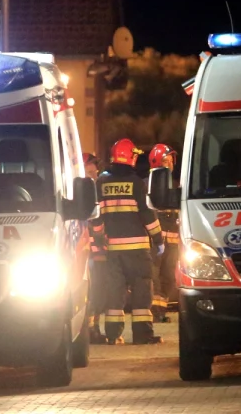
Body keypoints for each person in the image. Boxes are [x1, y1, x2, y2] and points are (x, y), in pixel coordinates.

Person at [95, 138, 164, 345]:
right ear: (129, 156)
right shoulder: (135, 183)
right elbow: (146, 214)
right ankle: (143, 334)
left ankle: (113, 335)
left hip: (112, 249)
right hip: (137, 249)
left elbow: (96, 216)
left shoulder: (101, 181)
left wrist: (99, 238)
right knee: (142, 288)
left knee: (114, 291)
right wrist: (159, 239)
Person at [148, 144, 181, 322]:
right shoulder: (148, 186)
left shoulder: (177, 186)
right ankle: (153, 311)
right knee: (155, 276)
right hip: (155, 240)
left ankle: (160, 311)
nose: (169, 165)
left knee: (169, 276)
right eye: (165, 161)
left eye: (170, 161)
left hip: (173, 240)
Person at [84, 153, 109, 344]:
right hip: (87, 252)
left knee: (99, 291)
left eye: (95, 171)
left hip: (96, 252)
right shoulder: (83, 193)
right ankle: (90, 330)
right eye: (90, 172)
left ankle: (93, 329)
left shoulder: (97, 189)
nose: (94, 175)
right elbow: (96, 223)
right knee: (91, 292)